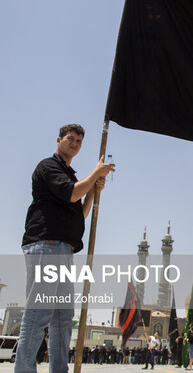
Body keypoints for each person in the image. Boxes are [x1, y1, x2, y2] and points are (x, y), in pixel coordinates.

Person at [15, 123, 114, 373]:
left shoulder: (70, 175)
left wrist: (92, 190)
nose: (75, 144)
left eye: (79, 141)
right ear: (59, 140)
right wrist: (93, 175)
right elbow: (70, 194)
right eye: (71, 139)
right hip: (46, 246)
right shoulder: (48, 167)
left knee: (62, 319)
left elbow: (79, 213)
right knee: (38, 316)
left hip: (64, 251)